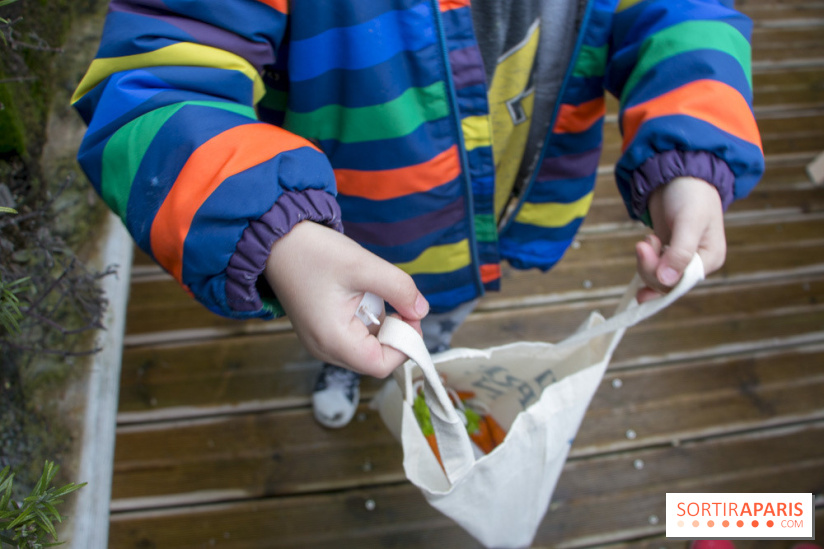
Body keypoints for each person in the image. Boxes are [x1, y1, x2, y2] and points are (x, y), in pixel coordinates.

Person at [71, 0, 764, 428]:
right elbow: (153, 90)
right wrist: (274, 232)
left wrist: (692, 146)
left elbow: (683, 11)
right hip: (342, 240)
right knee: (358, 328)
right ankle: (347, 367)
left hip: (491, 218)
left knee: (438, 315)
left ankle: (430, 343)